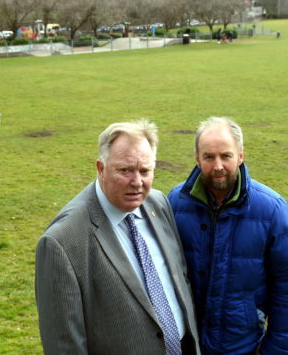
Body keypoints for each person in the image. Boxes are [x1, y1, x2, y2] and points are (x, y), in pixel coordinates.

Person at [36, 120, 200, 355]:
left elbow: (179, 280)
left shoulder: (158, 203)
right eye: (125, 170)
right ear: (100, 168)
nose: (137, 182)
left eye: (145, 171)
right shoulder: (61, 242)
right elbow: (64, 344)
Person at [168, 117, 288, 355]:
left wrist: (276, 349)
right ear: (197, 158)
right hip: (186, 344)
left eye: (226, 156)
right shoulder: (176, 202)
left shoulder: (271, 209)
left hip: (241, 346)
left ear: (240, 156)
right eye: (209, 156)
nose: (217, 165)